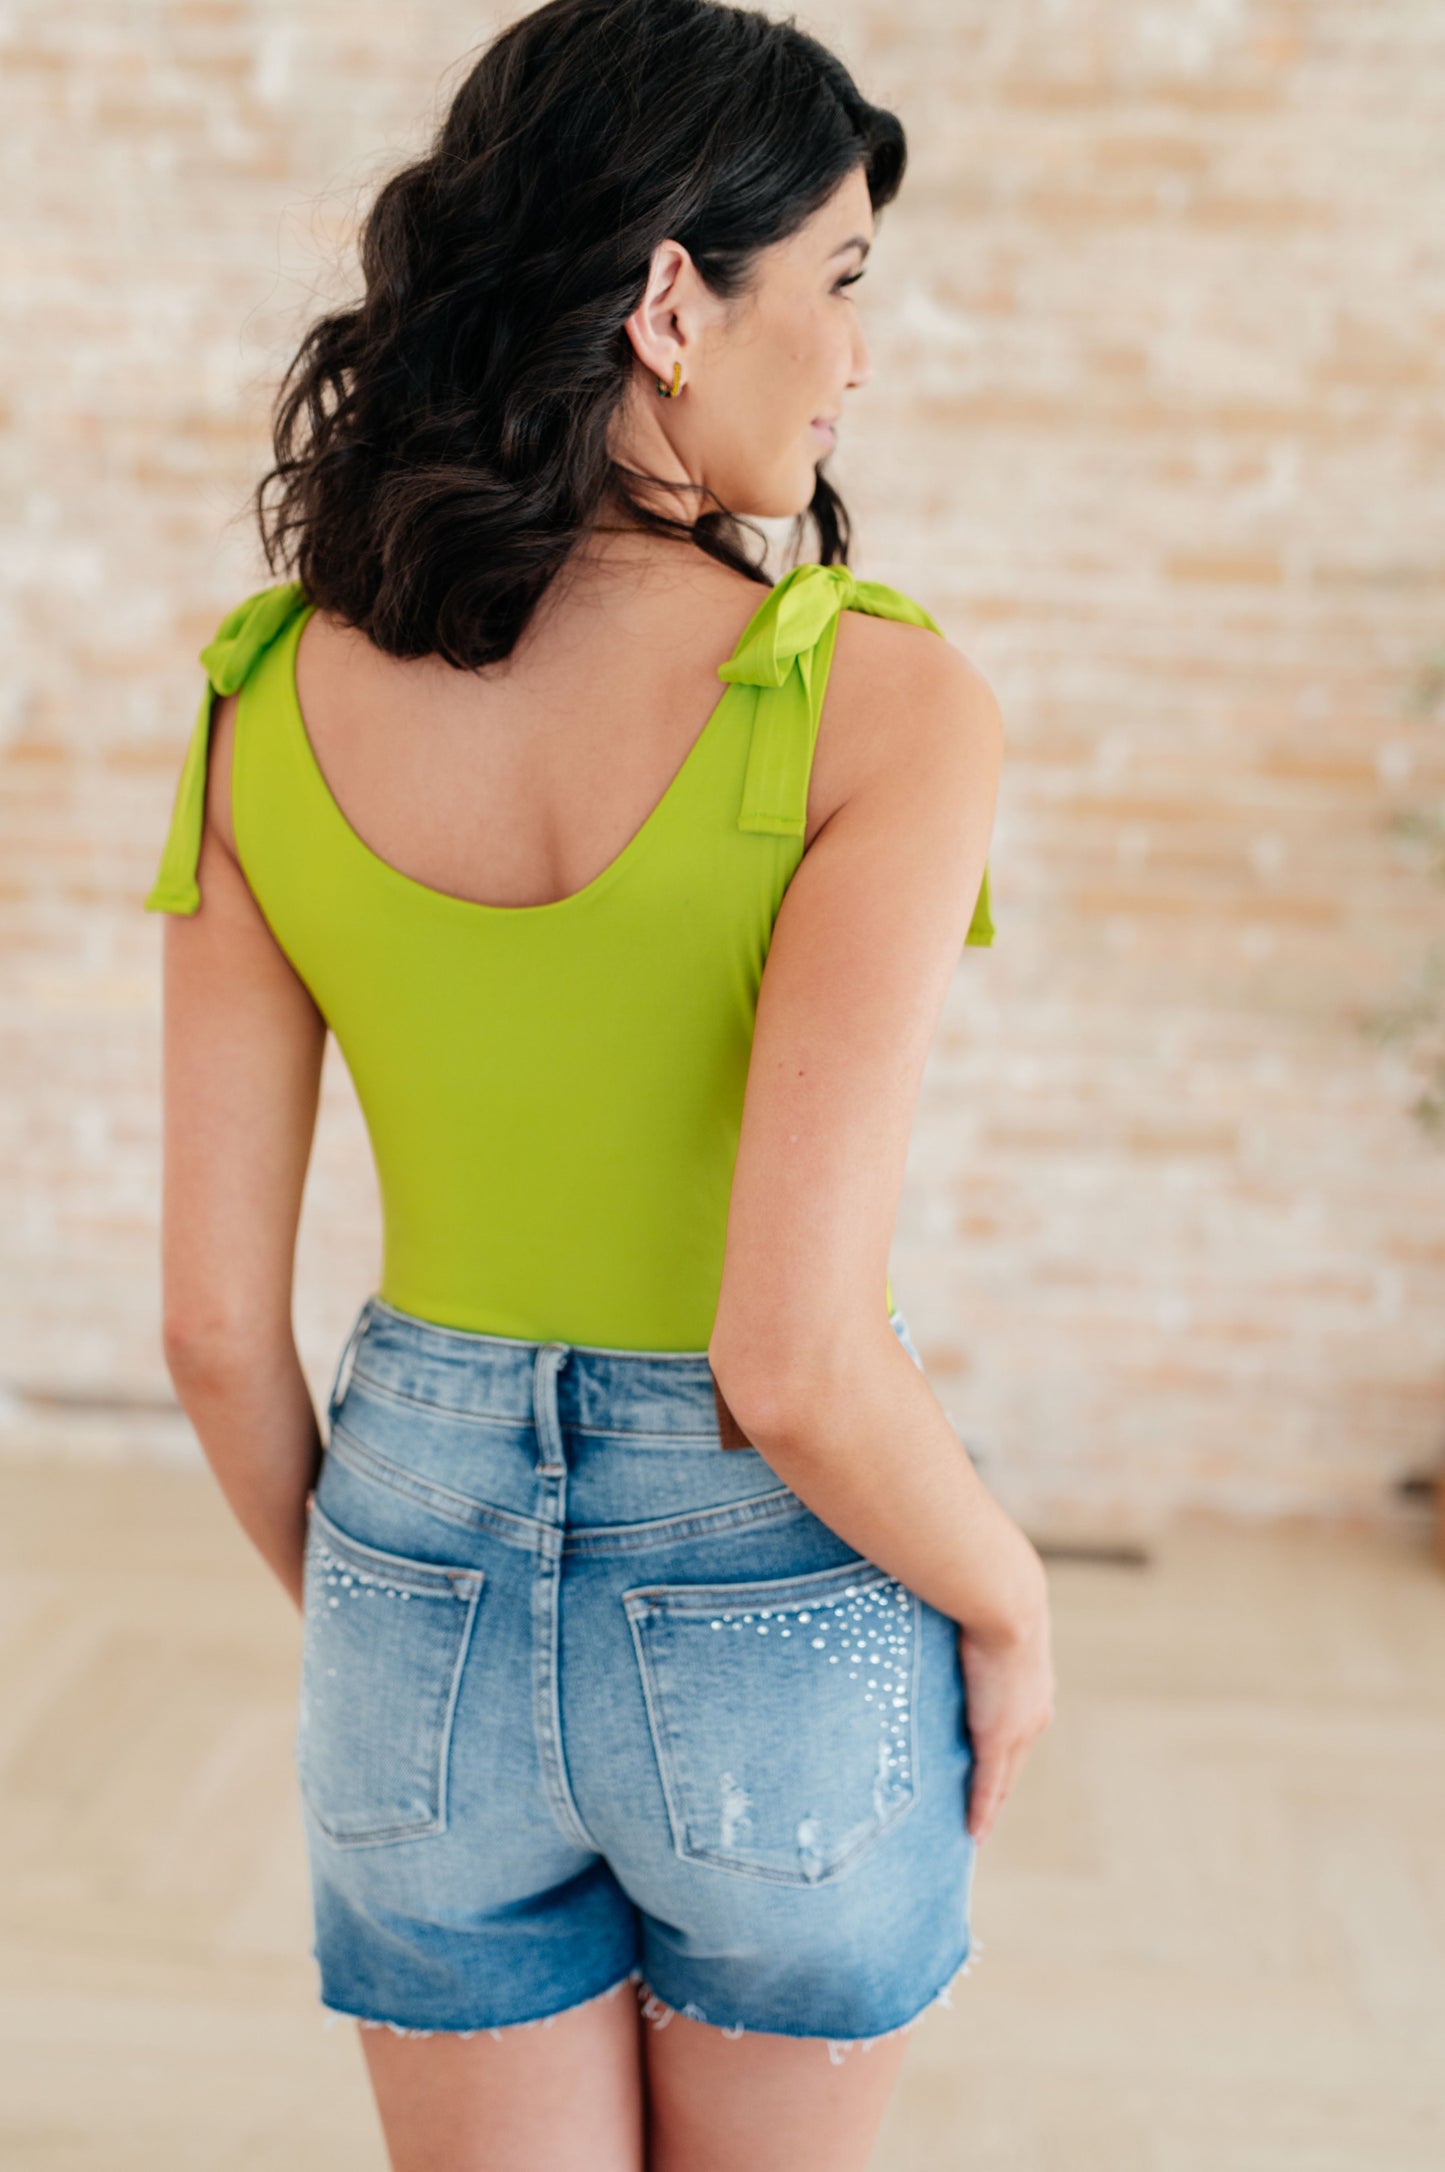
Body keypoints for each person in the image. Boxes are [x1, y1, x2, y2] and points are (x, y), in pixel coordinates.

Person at [145, 1, 1055, 2165]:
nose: (853, 357)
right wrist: (1010, 1608)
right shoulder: (882, 706)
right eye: (834, 284)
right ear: (674, 301)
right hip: (777, 1578)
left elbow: (205, 1334)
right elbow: (798, 1362)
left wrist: (415, 1606)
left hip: (405, 1572)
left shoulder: (264, 699)